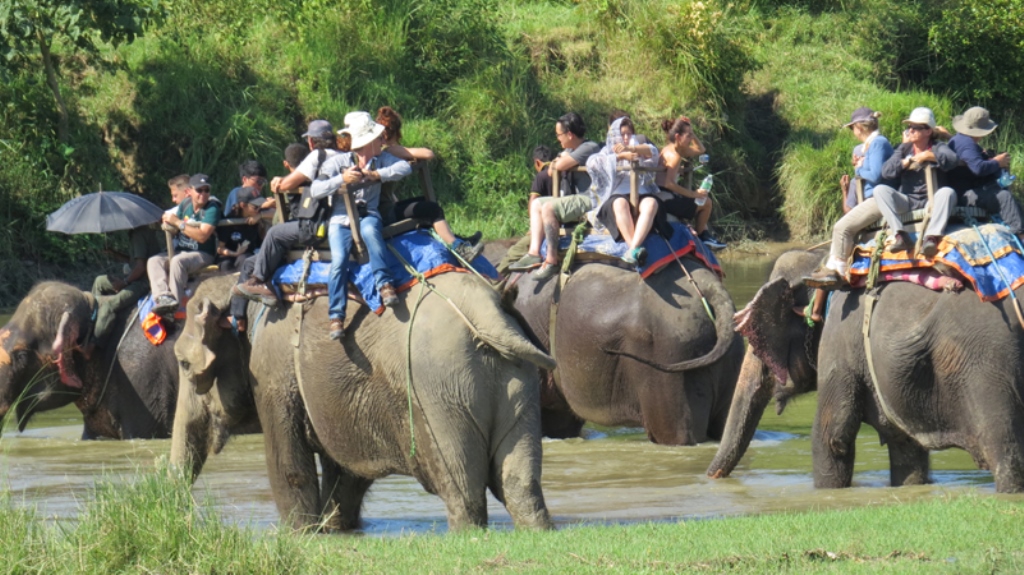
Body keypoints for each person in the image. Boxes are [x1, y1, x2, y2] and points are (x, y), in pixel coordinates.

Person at [807, 107, 957, 288]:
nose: (910, 131)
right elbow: (887, 171)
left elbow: (952, 159)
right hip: (908, 200)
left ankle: (932, 238)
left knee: (947, 192)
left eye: (916, 128)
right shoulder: (904, 148)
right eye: (909, 127)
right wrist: (907, 161)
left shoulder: (938, 147)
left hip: (931, 200)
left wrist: (929, 155)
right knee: (881, 191)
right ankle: (900, 235)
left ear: (928, 131)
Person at [311, 111, 412, 340]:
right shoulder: (338, 162)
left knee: (371, 232)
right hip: (340, 220)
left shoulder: (382, 159)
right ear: (367, 142)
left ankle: (384, 283)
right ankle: (336, 315)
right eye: (377, 138)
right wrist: (342, 180)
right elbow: (316, 189)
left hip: (368, 214)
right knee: (339, 261)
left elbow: (404, 168)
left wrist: (375, 174)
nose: (381, 140)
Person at [235, 121, 340, 309]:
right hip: (339, 219)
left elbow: (284, 186)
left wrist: (278, 181)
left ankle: (259, 282)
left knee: (275, 233)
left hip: (319, 226)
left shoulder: (318, 155)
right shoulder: (344, 155)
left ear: (311, 142)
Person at [374, 106, 482, 261]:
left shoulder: (383, 152)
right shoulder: (392, 150)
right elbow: (428, 153)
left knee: (424, 203)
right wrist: (408, 153)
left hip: (385, 206)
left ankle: (458, 240)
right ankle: (459, 249)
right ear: (397, 132)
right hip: (386, 213)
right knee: (432, 209)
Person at [508, 112, 601, 279]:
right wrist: (561, 157)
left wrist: (561, 158)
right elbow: (551, 171)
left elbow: (560, 165)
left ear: (570, 134)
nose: (558, 139)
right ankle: (534, 253)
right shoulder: (569, 150)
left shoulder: (589, 147)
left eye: (559, 135)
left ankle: (551, 260)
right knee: (537, 204)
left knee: (549, 207)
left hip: (591, 198)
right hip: (575, 199)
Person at [590, 115, 661, 265]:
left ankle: (632, 249)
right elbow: (592, 163)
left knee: (651, 204)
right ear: (615, 135)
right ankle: (633, 247)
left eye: (629, 133)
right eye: (622, 134)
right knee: (620, 204)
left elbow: (653, 152)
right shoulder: (607, 150)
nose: (626, 137)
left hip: (641, 191)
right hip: (617, 193)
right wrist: (620, 156)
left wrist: (631, 149)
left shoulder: (638, 147)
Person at [147, 174, 222, 314]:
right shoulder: (185, 204)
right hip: (182, 250)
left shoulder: (212, 208)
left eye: (207, 190)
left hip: (202, 253)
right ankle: (163, 298)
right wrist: (168, 222)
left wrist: (178, 223)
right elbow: (175, 228)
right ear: (190, 192)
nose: (203, 194)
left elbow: (202, 236)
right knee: (154, 260)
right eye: (199, 190)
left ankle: (174, 307)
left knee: (177, 261)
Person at [946, 106, 1021, 235]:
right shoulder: (967, 145)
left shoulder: (959, 139)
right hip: (964, 196)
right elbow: (978, 168)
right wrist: (997, 162)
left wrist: (988, 158)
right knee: (1004, 196)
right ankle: (1020, 235)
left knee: (1014, 202)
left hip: (968, 191)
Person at [654, 115, 726, 249]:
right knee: (706, 203)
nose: (691, 139)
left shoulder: (672, 148)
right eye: (688, 136)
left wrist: (691, 133)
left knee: (701, 200)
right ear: (677, 137)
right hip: (665, 196)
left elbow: (701, 149)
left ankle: (704, 234)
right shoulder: (674, 155)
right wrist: (693, 194)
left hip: (665, 193)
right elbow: (669, 184)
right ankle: (702, 238)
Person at [90, 224, 163, 346]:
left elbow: (141, 267)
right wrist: (114, 253)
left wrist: (124, 283)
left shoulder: (139, 235)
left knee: (109, 305)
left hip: (143, 282)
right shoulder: (136, 233)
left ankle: (94, 344)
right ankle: (93, 318)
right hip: (135, 277)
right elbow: (134, 260)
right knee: (99, 281)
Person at [216, 186, 266, 271]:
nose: (258, 209)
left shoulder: (258, 215)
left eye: (260, 206)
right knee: (225, 264)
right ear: (243, 205)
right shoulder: (229, 221)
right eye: (255, 207)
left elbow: (276, 212)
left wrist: (260, 216)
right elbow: (220, 248)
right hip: (230, 253)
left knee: (244, 259)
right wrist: (235, 253)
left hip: (248, 254)